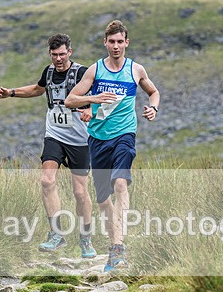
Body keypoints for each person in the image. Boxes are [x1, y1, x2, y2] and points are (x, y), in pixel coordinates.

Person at [65, 20, 160, 272]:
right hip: (97, 138)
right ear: (105, 43)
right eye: (112, 42)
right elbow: (70, 100)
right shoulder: (95, 70)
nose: (116, 46)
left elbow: (154, 92)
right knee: (103, 200)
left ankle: (118, 247)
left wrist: (153, 107)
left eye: (120, 42)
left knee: (121, 183)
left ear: (126, 43)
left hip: (125, 135)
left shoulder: (136, 69)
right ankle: (114, 243)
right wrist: (93, 98)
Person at [0, 34, 96, 258]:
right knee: (47, 180)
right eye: (54, 55)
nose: (58, 59)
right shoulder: (48, 72)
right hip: (55, 134)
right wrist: (10, 93)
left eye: (62, 54)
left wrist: (91, 111)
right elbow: (37, 89)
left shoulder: (82, 73)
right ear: (49, 54)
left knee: (80, 192)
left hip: (79, 139)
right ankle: (56, 234)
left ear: (70, 52)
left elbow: (100, 97)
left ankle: (86, 239)